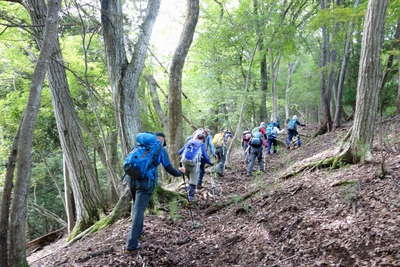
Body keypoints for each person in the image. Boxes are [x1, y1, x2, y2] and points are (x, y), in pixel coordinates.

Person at [126, 132, 184, 252]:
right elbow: (169, 168)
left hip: (131, 179)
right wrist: (180, 173)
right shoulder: (160, 150)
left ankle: (138, 232)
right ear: (162, 140)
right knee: (139, 211)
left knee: (136, 206)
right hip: (146, 182)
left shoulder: (139, 147)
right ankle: (132, 244)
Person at [178, 133, 212, 201]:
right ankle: (191, 197)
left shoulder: (189, 142)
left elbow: (179, 152)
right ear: (203, 140)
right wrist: (210, 162)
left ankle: (189, 190)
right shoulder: (201, 144)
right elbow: (205, 156)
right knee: (194, 180)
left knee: (189, 178)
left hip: (184, 163)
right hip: (194, 164)